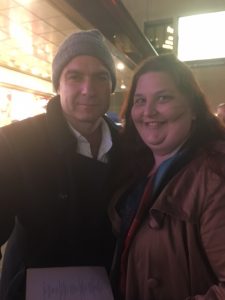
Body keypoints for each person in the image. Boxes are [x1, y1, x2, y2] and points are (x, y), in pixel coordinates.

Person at [0, 29, 121, 300]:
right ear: (58, 84)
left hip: (106, 289)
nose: (88, 90)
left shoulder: (127, 147)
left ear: (110, 86)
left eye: (100, 77)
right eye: (74, 76)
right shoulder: (16, 142)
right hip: (31, 289)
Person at [109, 54, 225, 300]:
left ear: (193, 109)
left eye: (163, 98)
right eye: (140, 100)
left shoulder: (215, 176)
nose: (148, 111)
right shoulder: (139, 167)